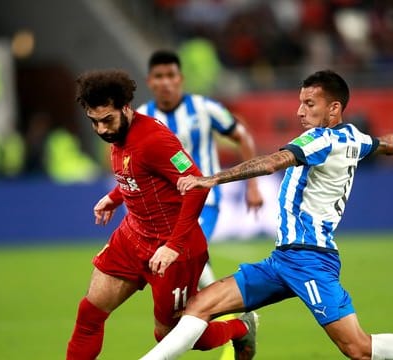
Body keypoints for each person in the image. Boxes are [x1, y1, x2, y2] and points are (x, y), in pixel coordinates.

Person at [139, 70, 393, 360]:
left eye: (309, 103)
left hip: (310, 261)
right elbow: (387, 144)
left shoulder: (320, 140)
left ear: (334, 108)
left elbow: (272, 162)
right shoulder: (353, 137)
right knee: (200, 306)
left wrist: (212, 178)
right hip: (282, 260)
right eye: (300, 102)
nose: (300, 111)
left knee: (359, 349)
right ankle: (236, 331)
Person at [66, 69, 258, 360]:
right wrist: (115, 197)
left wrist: (173, 246)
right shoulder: (119, 136)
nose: (102, 129)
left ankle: (239, 329)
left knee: (171, 335)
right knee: (89, 313)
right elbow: (140, 174)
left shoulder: (155, 139)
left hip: (174, 249)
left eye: (107, 120)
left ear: (125, 108)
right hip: (132, 237)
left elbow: (196, 185)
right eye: (94, 122)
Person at [136, 50, 264, 290]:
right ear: (149, 82)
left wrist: (253, 185)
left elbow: (242, 136)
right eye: (159, 76)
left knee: (182, 253)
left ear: (180, 78)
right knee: (183, 263)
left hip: (205, 200)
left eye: (170, 75)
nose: (165, 82)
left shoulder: (204, 108)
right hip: (164, 206)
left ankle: (226, 318)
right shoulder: (142, 117)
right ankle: (222, 317)